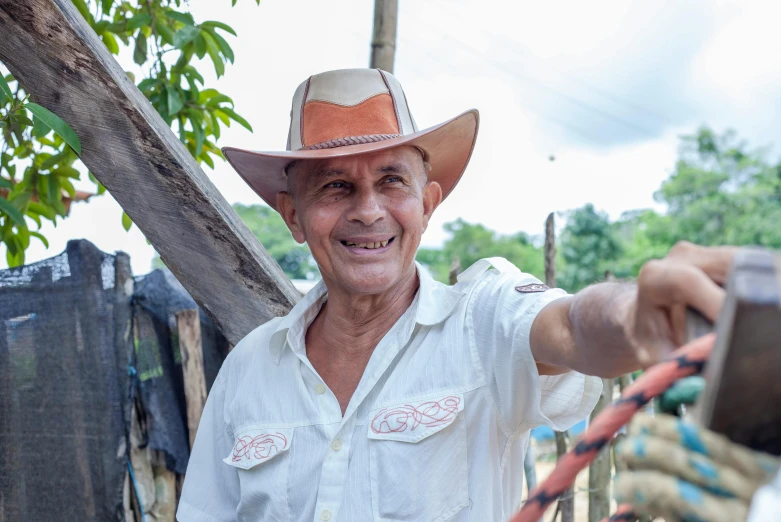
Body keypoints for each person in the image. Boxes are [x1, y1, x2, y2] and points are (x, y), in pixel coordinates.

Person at [176, 68, 736, 522]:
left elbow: (571, 327)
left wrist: (638, 312)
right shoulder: (248, 368)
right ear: (294, 217)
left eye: (392, 180)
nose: (368, 210)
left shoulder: (482, 321)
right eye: (335, 185)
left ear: (428, 204)